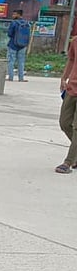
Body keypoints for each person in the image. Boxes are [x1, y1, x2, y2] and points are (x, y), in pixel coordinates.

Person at [58, 30, 77, 174]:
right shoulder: (75, 41)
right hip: (72, 88)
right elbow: (71, 59)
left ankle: (68, 162)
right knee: (64, 122)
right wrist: (64, 78)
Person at [6, 8, 31, 82]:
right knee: (21, 62)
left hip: (13, 44)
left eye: (14, 14)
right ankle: (21, 78)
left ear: (19, 15)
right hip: (23, 45)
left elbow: (9, 34)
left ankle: (11, 77)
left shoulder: (14, 23)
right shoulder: (27, 23)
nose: (13, 15)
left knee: (11, 61)